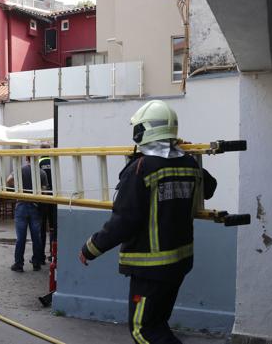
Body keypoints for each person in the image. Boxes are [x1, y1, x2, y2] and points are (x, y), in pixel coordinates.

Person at [79, 100, 217, 344]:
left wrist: (90, 248)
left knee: (143, 330)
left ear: (144, 130)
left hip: (150, 267)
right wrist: (189, 153)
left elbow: (124, 220)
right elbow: (210, 187)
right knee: (158, 324)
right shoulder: (188, 164)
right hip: (179, 262)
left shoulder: (141, 168)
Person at [6, 156, 49, 272]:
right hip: (35, 207)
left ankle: (19, 264)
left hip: (21, 206)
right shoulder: (42, 173)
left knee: (21, 238)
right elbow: (44, 192)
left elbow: (8, 180)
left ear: (27, 159)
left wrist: (19, 185)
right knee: (37, 237)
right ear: (37, 158)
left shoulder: (20, 170)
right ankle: (36, 263)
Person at [37, 145, 57, 261]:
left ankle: (40, 255)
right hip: (54, 198)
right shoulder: (54, 161)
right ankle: (53, 254)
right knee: (53, 227)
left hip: (43, 198)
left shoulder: (38, 162)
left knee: (42, 227)